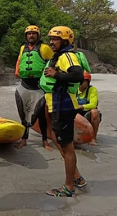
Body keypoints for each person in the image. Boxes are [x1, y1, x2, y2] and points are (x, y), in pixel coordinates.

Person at [40, 26, 86, 197]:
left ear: (65, 41)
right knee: (55, 136)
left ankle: (69, 187)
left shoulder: (68, 56)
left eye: (56, 39)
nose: (51, 42)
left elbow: (78, 75)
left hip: (64, 105)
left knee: (67, 147)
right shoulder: (59, 55)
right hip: (57, 104)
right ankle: (77, 177)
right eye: (50, 39)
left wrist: (56, 75)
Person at [14, 25, 54, 150]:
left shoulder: (44, 48)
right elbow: (19, 60)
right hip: (25, 84)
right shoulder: (23, 48)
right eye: (29, 34)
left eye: (33, 33)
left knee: (41, 114)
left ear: (38, 35)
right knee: (24, 112)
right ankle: (24, 139)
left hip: (38, 85)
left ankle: (45, 140)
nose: (31, 36)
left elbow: (53, 61)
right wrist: (17, 71)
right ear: (26, 36)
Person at [77, 71, 102, 146]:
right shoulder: (73, 89)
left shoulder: (92, 90)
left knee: (95, 112)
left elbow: (93, 104)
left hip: (87, 114)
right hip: (75, 113)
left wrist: (81, 106)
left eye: (84, 81)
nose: (82, 83)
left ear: (88, 82)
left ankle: (93, 138)